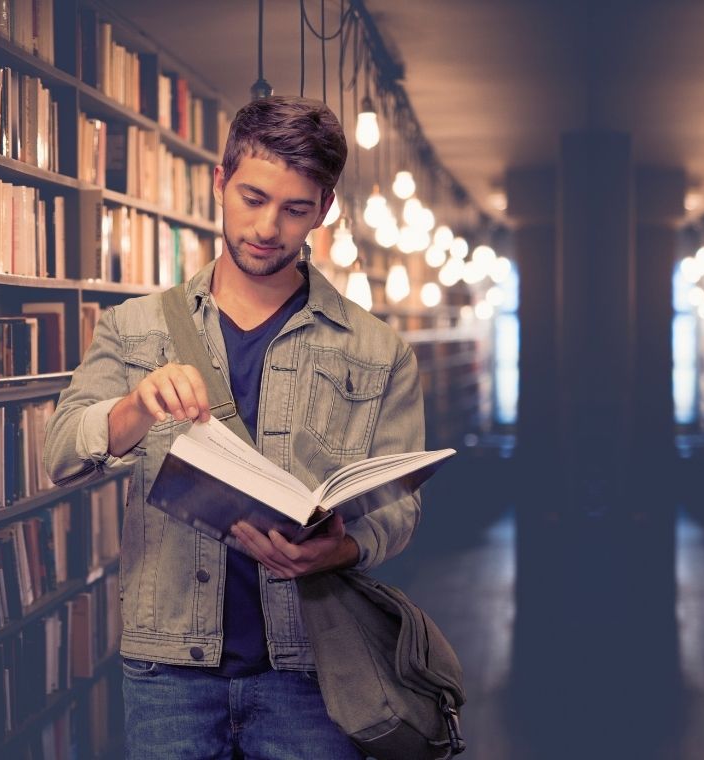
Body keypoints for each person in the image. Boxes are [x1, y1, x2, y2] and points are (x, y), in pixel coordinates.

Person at [44, 96, 425, 759]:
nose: (267, 227)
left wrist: (337, 550)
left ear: (325, 209)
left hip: (310, 671)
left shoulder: (378, 350)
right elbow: (61, 454)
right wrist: (136, 405)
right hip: (168, 670)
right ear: (220, 182)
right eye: (251, 197)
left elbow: (399, 509)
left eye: (295, 209)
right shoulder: (134, 327)